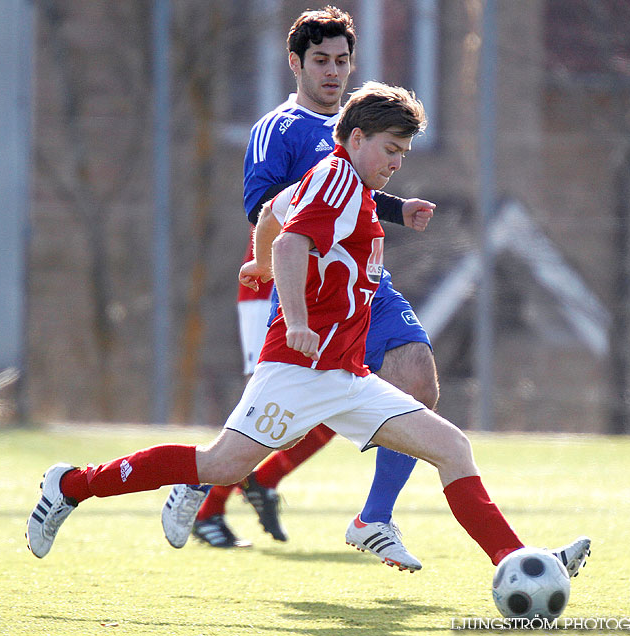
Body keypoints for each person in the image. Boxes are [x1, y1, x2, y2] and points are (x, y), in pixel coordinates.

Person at [26, 82, 591, 588]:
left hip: (347, 377)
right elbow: (291, 242)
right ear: (357, 136)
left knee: (452, 447)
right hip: (297, 373)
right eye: (391, 149)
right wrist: (293, 314)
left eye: (404, 153)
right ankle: (71, 484)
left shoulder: (343, 183)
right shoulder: (340, 186)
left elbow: (275, 214)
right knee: (220, 465)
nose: (397, 162)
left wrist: (261, 264)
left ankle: (516, 560)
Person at [188, 5, 438, 570]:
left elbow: (357, 197)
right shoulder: (278, 128)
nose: (332, 71)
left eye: (342, 60)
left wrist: (398, 209)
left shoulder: (359, 123)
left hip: (367, 288)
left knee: (413, 384)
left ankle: (372, 517)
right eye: (320, 60)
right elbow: (267, 209)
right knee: (280, 413)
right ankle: (206, 492)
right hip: (301, 289)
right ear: (295, 63)